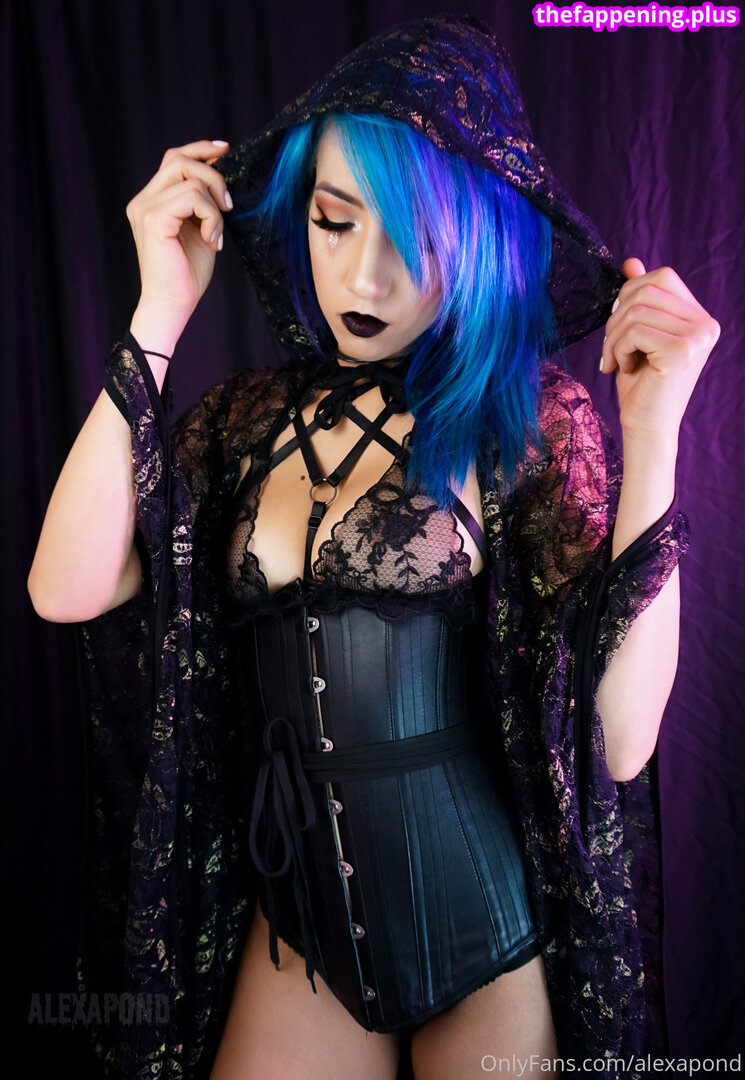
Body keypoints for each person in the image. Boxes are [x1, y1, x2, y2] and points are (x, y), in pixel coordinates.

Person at [28, 14, 717, 1080]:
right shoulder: (241, 422)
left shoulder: (525, 424)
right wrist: (159, 312)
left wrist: (654, 433)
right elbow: (65, 588)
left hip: (485, 940)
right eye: (334, 221)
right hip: (298, 939)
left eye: (414, 238)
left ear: (477, 241)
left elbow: (618, 745)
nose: (363, 278)